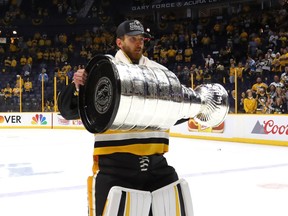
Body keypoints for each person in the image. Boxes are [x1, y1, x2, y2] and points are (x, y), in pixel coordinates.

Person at [58, 20, 192, 216]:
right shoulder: (104, 72)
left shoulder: (160, 72)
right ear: (119, 43)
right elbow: (67, 111)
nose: (139, 44)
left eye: (141, 39)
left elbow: (174, 113)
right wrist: (77, 86)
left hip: (158, 167)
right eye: (133, 39)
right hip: (115, 169)